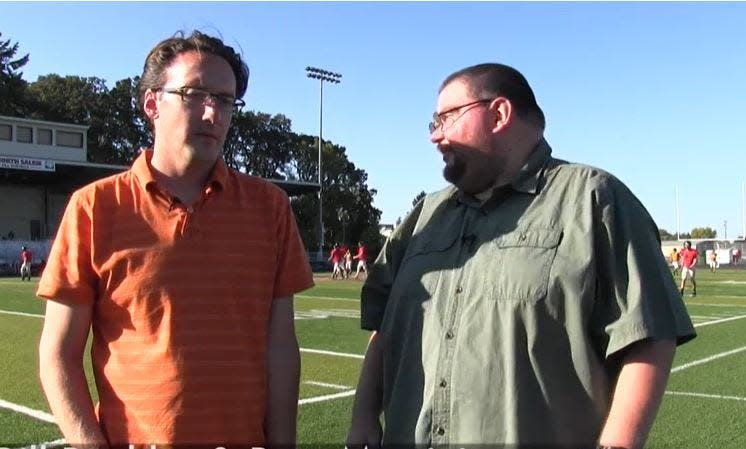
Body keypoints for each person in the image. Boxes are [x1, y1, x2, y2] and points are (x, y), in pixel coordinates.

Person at [347, 63, 696, 449]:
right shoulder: (423, 217)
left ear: (499, 114)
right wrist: (363, 415)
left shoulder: (593, 199)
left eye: (446, 118)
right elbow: (385, 328)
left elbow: (648, 337)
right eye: (434, 123)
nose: (436, 136)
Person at [37, 30, 314, 448]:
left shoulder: (270, 208)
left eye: (225, 100)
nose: (212, 113)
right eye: (195, 94)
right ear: (152, 103)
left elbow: (280, 349)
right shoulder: (94, 207)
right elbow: (57, 356)